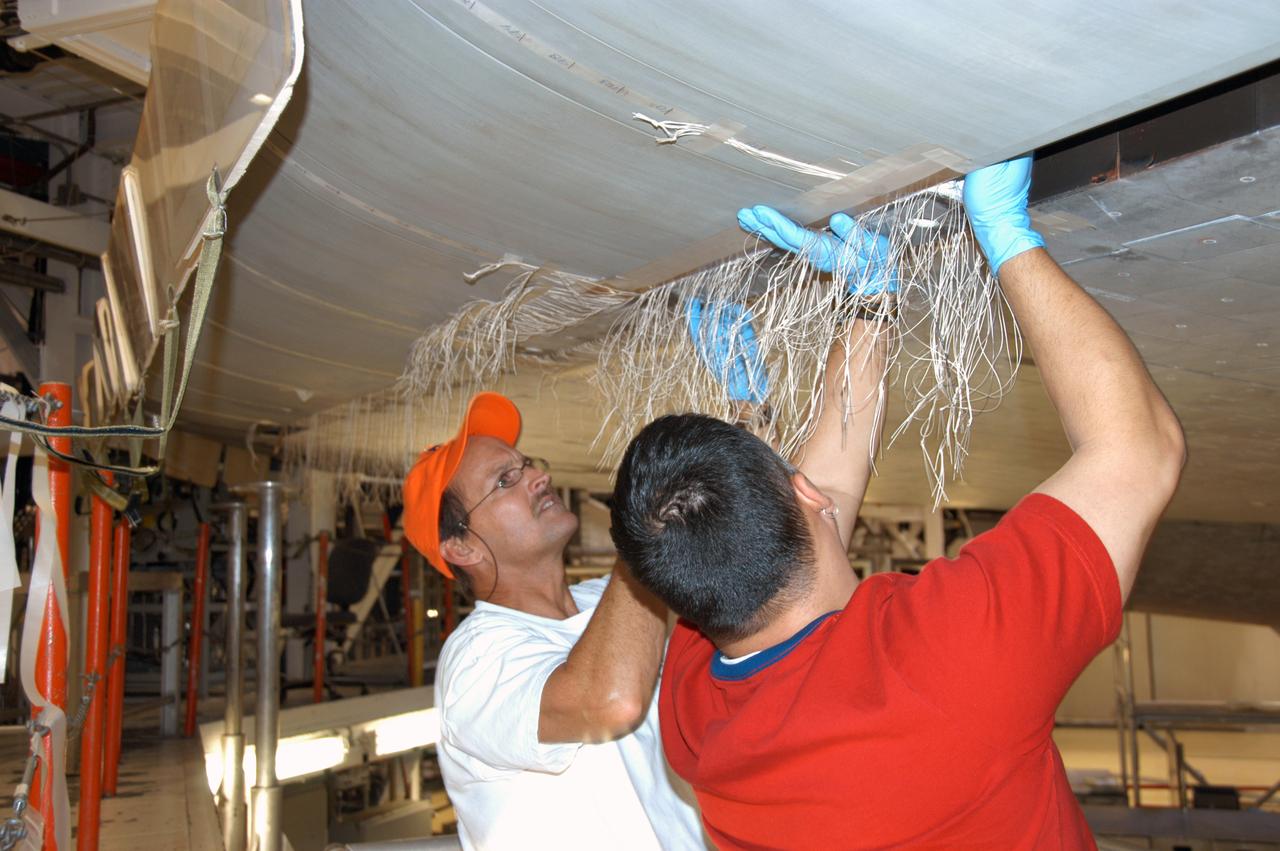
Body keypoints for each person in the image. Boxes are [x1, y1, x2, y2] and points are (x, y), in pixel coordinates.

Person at [609, 157, 1186, 850]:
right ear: (801, 490)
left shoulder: (701, 720)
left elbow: (813, 519)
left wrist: (868, 306)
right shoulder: (951, 658)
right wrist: (1007, 237)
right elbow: (1138, 449)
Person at [401, 392, 707, 850]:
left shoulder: (609, 600)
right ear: (462, 547)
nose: (539, 477)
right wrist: (646, 527)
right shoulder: (474, 660)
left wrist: (748, 429)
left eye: (527, 464)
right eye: (505, 480)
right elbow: (610, 701)